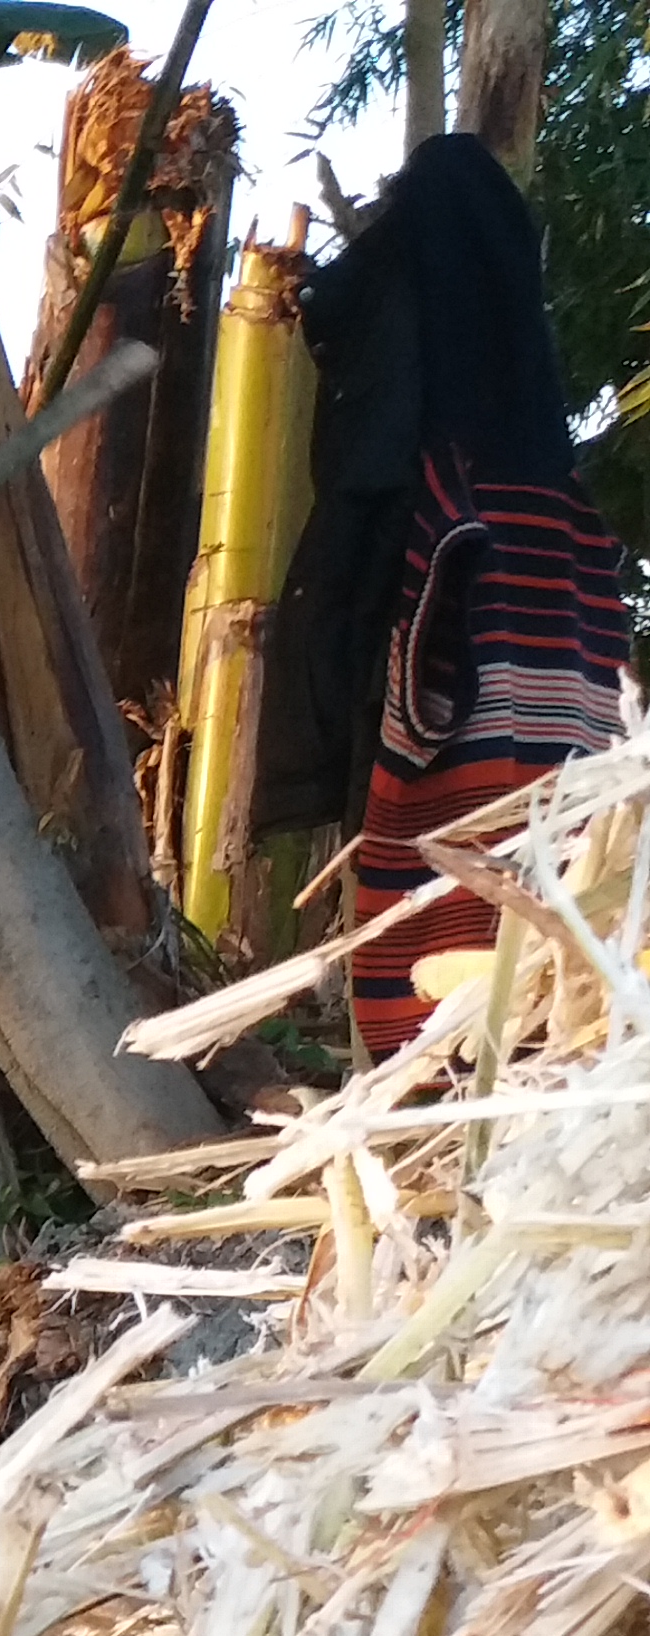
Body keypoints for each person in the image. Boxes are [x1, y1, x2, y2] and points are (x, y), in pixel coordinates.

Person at [257, 133, 629, 1058]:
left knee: (444, 969)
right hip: (567, 775)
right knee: (553, 960)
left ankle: (427, 1100)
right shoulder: (566, 497)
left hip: (458, 759)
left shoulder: (431, 473)